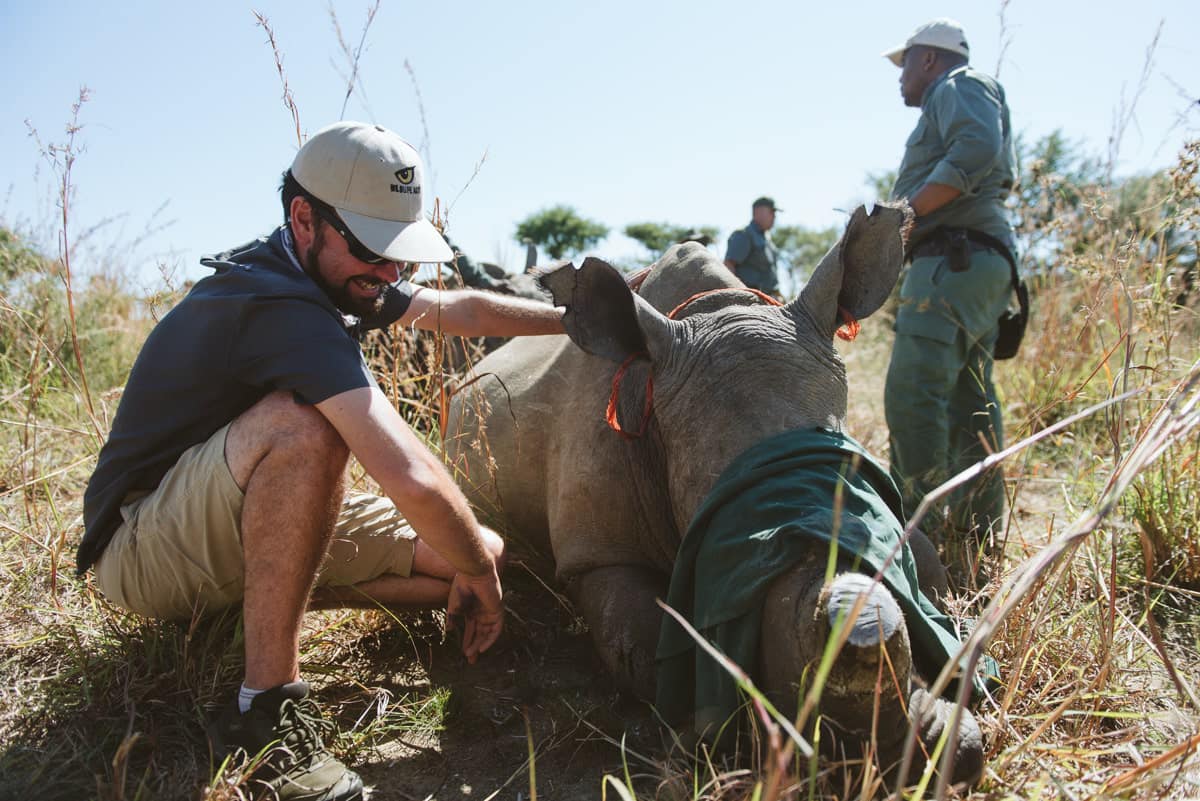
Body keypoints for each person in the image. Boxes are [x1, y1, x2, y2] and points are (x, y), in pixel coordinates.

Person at [77, 121, 565, 800]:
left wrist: (569, 320)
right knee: (305, 428)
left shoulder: (333, 273)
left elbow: (457, 308)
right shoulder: (279, 302)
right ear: (304, 218)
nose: (391, 273)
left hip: (226, 517)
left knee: (473, 552)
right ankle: (265, 712)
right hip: (141, 545)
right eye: (374, 248)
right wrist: (479, 574)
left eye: (401, 253)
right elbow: (409, 472)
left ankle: (248, 614)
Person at [880, 19, 1018, 553]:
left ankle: (916, 544)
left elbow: (977, 147)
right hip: (971, 261)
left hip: (953, 263)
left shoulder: (958, 86)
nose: (901, 76)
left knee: (914, 395)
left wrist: (906, 213)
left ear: (930, 60)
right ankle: (974, 542)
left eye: (906, 63)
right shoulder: (955, 92)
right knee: (970, 403)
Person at [723, 196, 781, 296]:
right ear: (757, 212)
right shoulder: (744, 235)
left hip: (770, 298)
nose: (774, 217)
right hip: (751, 301)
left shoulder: (767, 239)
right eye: (771, 212)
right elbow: (729, 266)